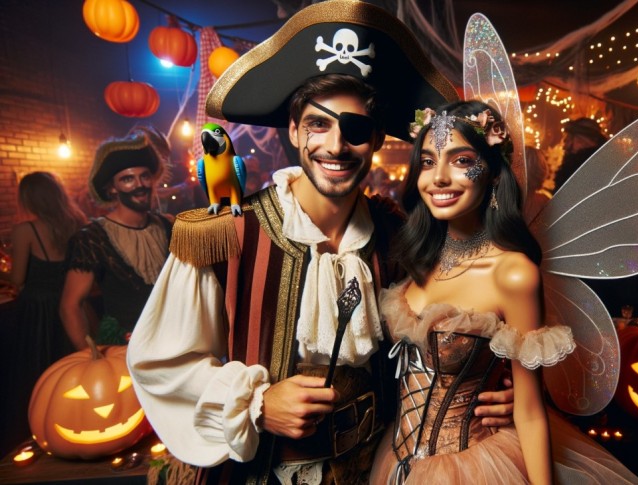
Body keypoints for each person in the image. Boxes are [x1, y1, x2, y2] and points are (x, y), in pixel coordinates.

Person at [127, 3, 513, 484]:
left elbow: (460, 325)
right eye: (318, 124)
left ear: (375, 139)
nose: (335, 146)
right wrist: (258, 404)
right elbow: (159, 363)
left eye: (353, 129)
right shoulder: (225, 233)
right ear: (293, 130)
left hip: (376, 470)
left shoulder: (399, 235)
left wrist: (492, 387)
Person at [371, 101, 638, 484]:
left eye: (461, 161)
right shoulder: (417, 255)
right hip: (393, 461)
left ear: (494, 174)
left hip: (470, 467)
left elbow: (530, 410)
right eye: (429, 162)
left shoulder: (512, 274)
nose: (439, 178)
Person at [60, 126, 172, 350]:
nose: (139, 185)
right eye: (127, 179)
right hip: (125, 349)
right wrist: (90, 358)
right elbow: (70, 306)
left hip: (174, 340)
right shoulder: (92, 238)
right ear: (112, 189)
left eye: (145, 176)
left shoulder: (169, 225)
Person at [2, 172, 87, 452]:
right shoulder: (76, 225)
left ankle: (37, 437)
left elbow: (17, 279)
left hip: (36, 311)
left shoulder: (25, 230)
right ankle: (77, 424)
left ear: (28, 198)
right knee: (73, 374)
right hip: (70, 306)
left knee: (35, 375)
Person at [552, 117, 608, 191]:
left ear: (581, 140)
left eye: (568, 141)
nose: (565, 147)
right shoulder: (602, 166)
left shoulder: (579, 170)